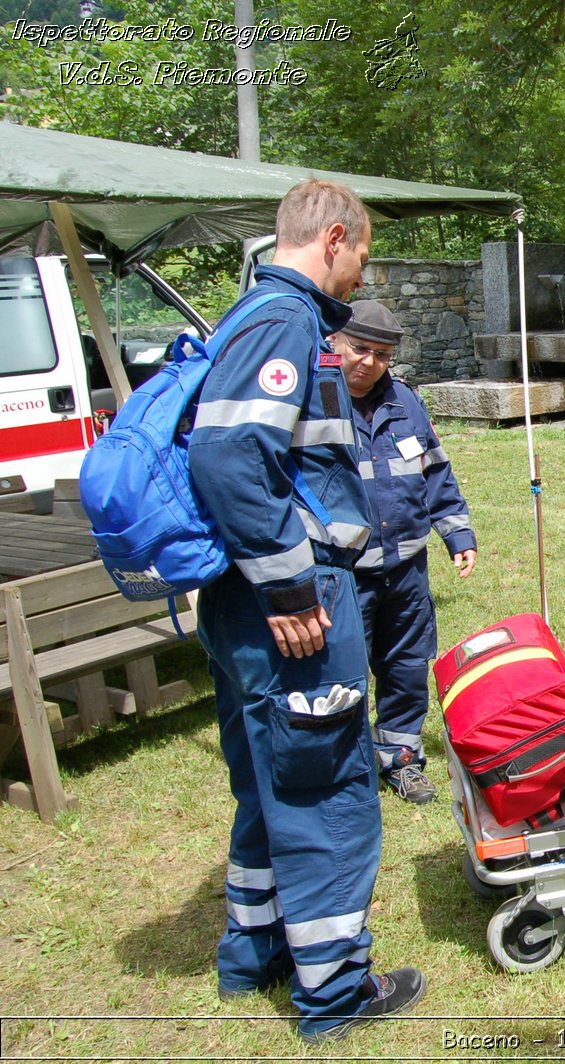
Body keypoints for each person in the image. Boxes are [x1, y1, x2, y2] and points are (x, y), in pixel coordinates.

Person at [189, 180, 425, 1042]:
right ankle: (334, 989)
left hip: (244, 603)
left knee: (266, 778)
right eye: (363, 253)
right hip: (292, 607)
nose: (364, 271)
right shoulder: (287, 321)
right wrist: (290, 587)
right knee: (324, 786)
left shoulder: (252, 315)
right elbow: (225, 458)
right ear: (334, 238)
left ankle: (257, 949)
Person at [333, 300, 478, 804]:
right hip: (343, 574)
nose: (369, 362)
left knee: (408, 668)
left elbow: (436, 472)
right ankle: (347, 773)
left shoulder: (404, 402)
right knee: (342, 676)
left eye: (381, 354)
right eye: (359, 349)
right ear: (336, 341)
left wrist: (457, 534)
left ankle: (400, 759)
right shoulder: (314, 403)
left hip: (407, 570)